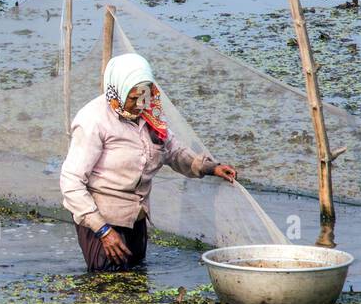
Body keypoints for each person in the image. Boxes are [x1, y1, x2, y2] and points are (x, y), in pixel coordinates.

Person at [60, 52, 238, 272]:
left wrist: (209, 167)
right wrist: (103, 230)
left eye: (145, 95)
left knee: (136, 280)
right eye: (133, 98)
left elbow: (173, 151)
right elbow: (71, 182)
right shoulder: (93, 121)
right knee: (104, 286)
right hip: (102, 218)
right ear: (117, 89)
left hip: (136, 216)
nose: (140, 103)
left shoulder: (150, 114)